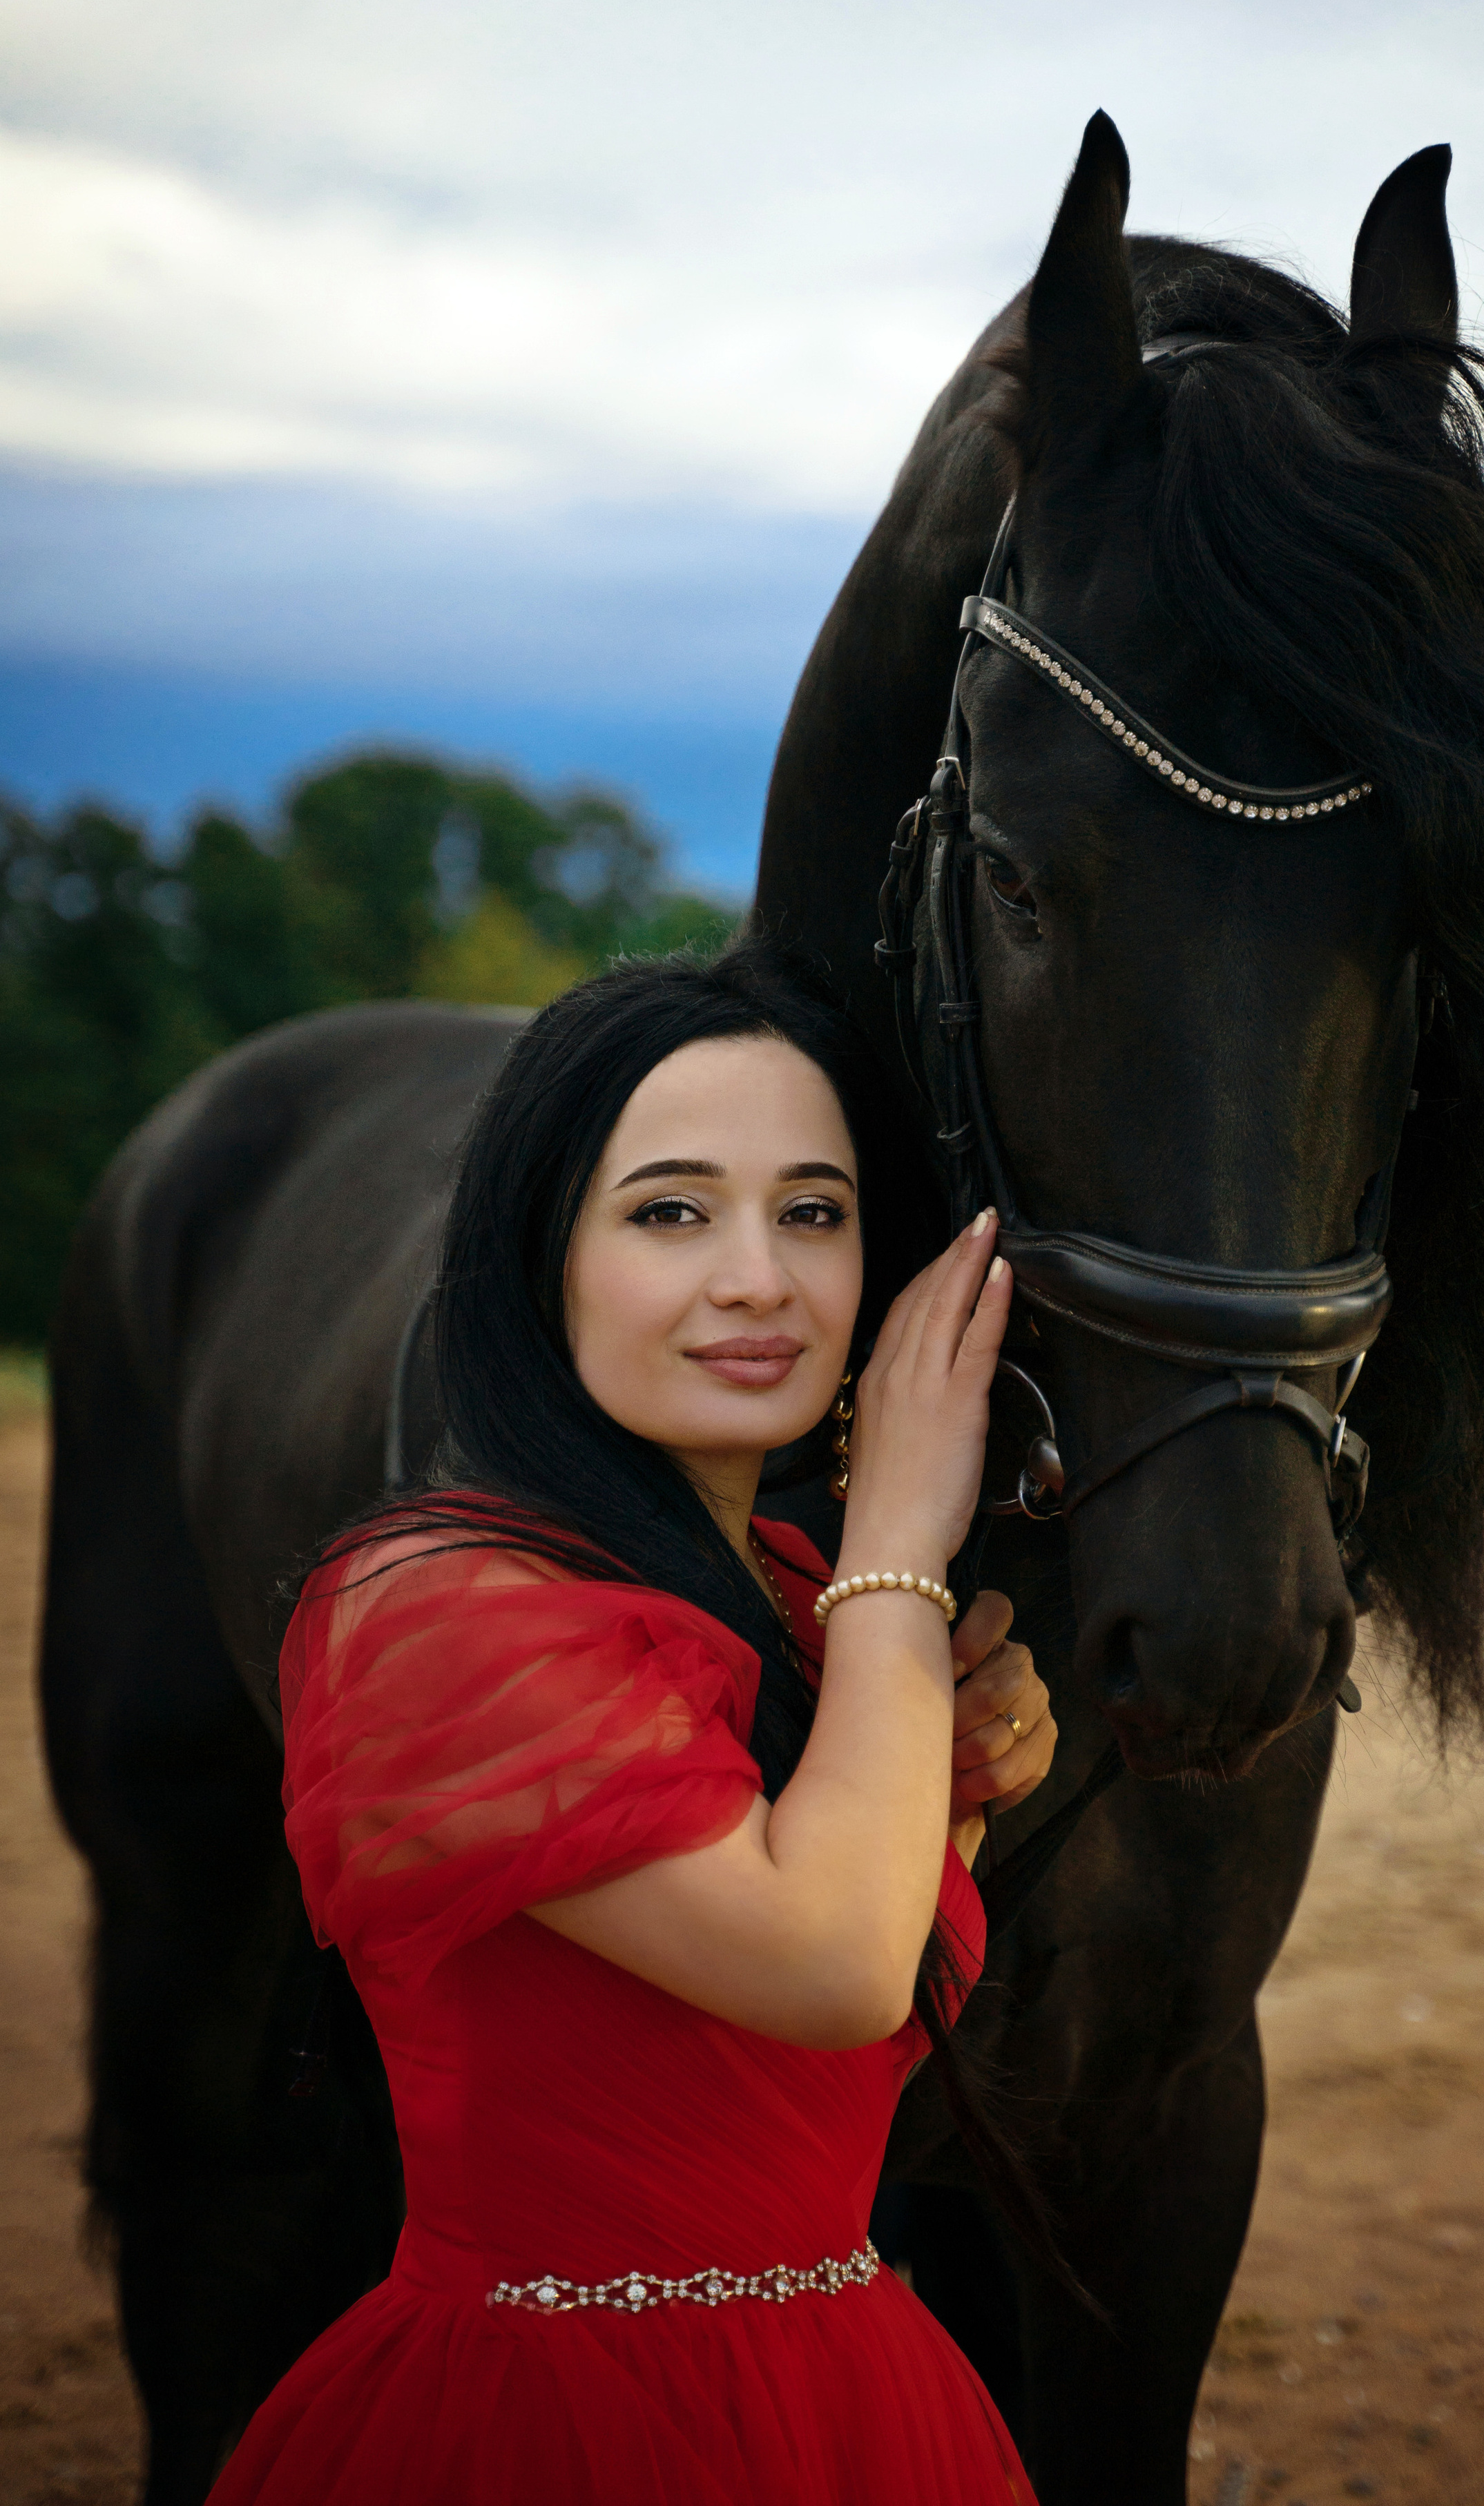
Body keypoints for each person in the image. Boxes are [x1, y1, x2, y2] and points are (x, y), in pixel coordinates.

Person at [208, 942, 1059, 2505]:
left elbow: (814, 2037)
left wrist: (938, 1767)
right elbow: (830, 1965)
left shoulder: (790, 1594)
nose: (758, 1280)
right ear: (543, 1253)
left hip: (852, 2396)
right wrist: (901, 1556)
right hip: (553, 2421)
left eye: (813, 1212)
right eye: (670, 1212)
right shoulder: (437, 1607)